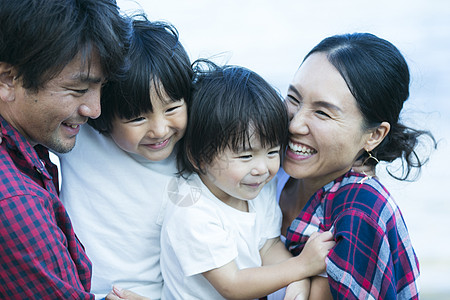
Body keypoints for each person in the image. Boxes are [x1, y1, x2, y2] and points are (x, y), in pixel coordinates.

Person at [159, 60, 335, 300]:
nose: (262, 169)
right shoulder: (192, 210)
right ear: (198, 157)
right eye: (245, 156)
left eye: (273, 152)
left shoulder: (258, 190)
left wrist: (298, 282)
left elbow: (269, 247)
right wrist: (303, 266)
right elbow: (232, 285)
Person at [279, 32, 436, 299]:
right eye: (294, 99)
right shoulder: (262, 168)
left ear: (374, 135)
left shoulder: (359, 214)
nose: (294, 124)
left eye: (322, 112)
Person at [0, 0, 130, 298]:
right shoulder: (14, 202)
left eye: (102, 88)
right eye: (77, 90)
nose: (94, 109)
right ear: (8, 79)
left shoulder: (27, 150)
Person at [58, 14, 192, 299]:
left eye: (172, 109)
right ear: (102, 114)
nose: (159, 130)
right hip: (83, 291)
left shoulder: (196, 152)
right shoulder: (82, 137)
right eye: (136, 118)